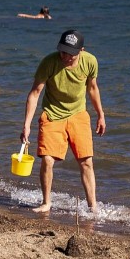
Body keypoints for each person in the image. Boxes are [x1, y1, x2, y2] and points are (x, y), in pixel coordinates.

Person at [21, 29, 106, 215]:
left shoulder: (90, 61)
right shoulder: (49, 62)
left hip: (78, 114)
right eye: (63, 51)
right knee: (48, 160)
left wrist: (100, 114)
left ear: (81, 50)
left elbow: (92, 89)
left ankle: (93, 207)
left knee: (86, 162)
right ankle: (46, 203)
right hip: (52, 114)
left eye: (71, 53)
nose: (66, 56)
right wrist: (26, 125)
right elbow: (35, 93)